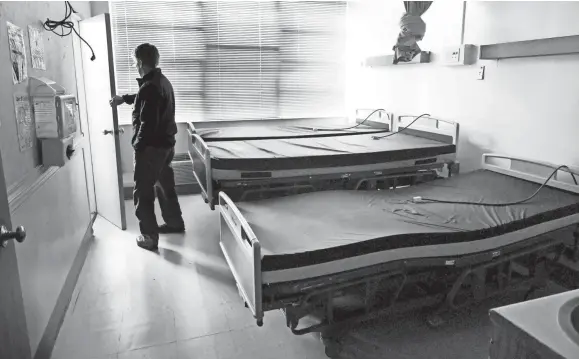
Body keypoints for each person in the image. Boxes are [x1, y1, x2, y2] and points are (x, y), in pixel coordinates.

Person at [110, 43, 185, 251]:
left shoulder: (150, 86)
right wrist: (123, 99)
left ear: (140, 62)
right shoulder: (161, 82)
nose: (135, 65)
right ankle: (174, 222)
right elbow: (144, 100)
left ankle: (149, 237)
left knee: (142, 192)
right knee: (164, 186)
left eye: (135, 62)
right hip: (166, 146)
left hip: (152, 149)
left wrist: (137, 146)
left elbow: (147, 123)